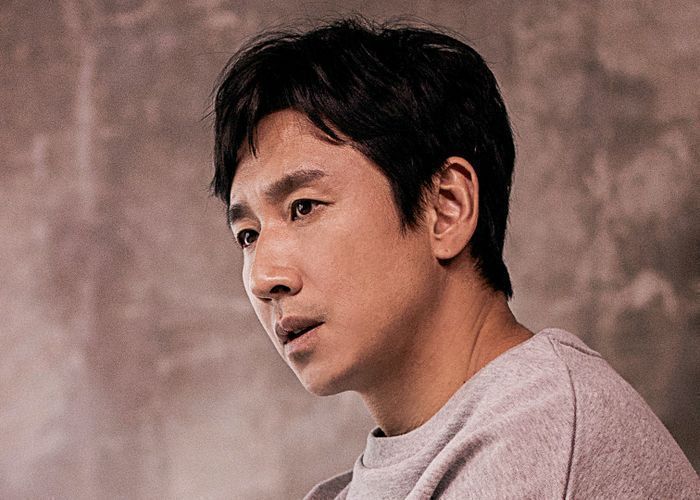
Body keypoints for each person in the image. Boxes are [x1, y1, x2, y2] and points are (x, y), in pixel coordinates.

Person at [210, 17, 699, 499]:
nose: (263, 278)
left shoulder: (542, 436)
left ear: (446, 208)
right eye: (248, 235)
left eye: (303, 207)